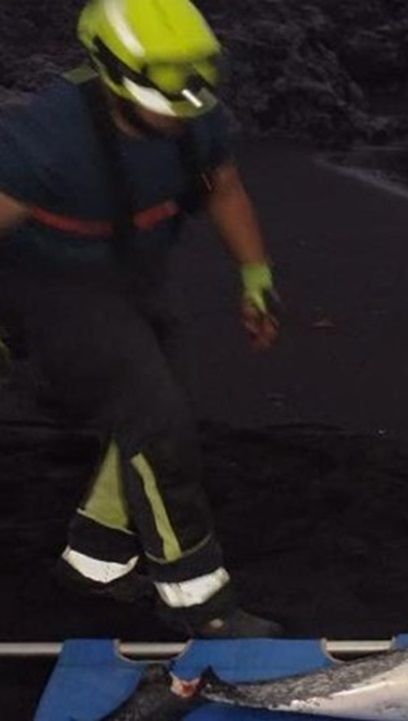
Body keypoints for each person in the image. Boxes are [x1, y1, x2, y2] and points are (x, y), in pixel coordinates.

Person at [0, 0, 282, 637]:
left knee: (159, 411)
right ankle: (200, 606)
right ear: (111, 74)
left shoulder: (199, 115)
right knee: (159, 426)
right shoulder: (41, 143)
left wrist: (255, 278)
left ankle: (95, 560)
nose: (184, 108)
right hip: (54, 292)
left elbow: (225, 187)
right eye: (167, 93)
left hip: (139, 278)